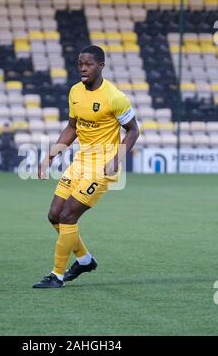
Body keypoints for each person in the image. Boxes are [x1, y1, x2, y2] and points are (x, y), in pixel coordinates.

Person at [33, 45, 140, 288]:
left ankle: (56, 276)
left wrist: (117, 158)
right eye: (80, 63)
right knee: (54, 216)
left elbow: (133, 130)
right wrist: (50, 156)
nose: (83, 67)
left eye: (89, 63)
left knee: (68, 215)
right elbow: (72, 127)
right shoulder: (74, 92)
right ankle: (84, 260)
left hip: (103, 166)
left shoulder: (115, 97)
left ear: (101, 66)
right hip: (81, 161)